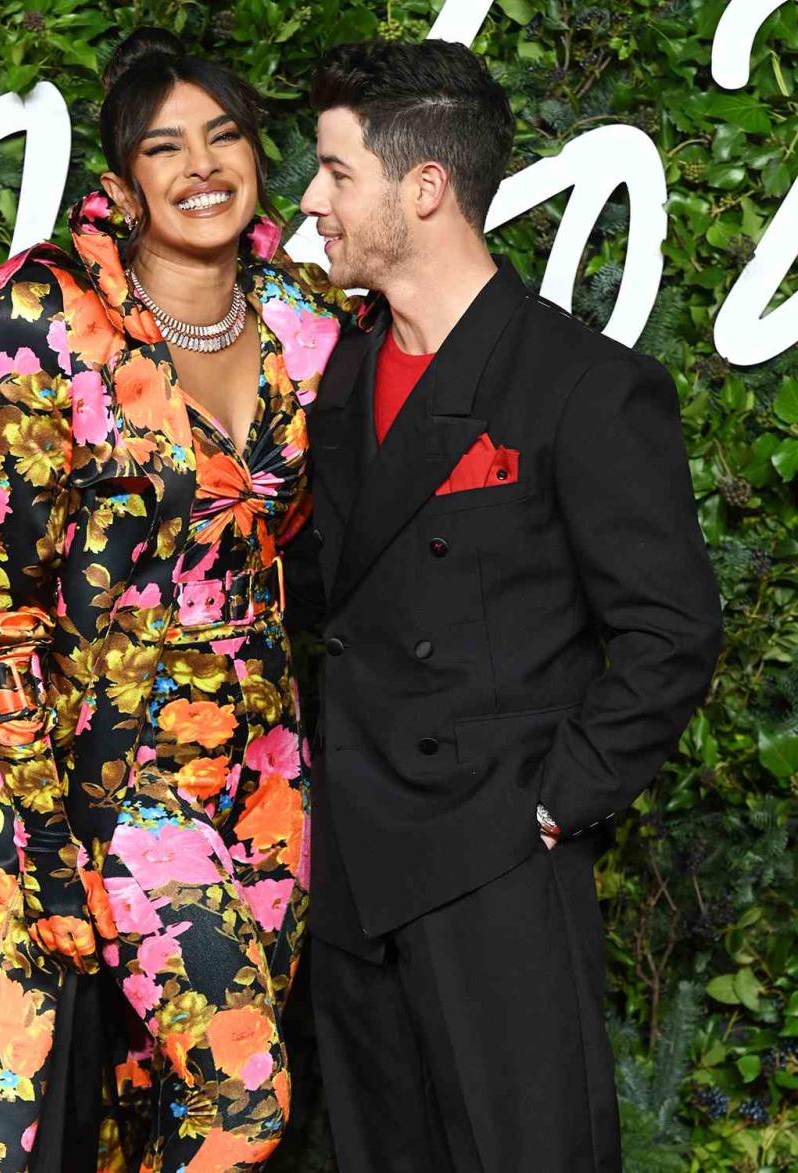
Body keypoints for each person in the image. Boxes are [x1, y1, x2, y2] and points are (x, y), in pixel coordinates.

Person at [0, 27, 351, 1173]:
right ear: (121, 181)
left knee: (150, 1109)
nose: (201, 166)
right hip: (114, 780)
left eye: (223, 136)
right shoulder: (51, 315)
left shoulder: (306, 322)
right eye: (164, 147)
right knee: (246, 1099)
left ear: (258, 159)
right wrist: (50, 849)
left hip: (265, 776)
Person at [297, 38, 723, 1173]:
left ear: (422, 188)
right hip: (352, 885)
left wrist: (547, 810)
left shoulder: (581, 384)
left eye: (337, 173)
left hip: (494, 879)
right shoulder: (340, 377)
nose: (312, 203)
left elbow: (670, 632)